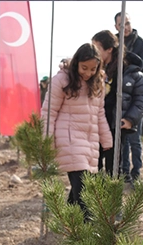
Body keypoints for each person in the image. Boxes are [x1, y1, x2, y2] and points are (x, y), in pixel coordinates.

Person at [41, 43, 113, 213]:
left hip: (90, 142)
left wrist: (107, 139)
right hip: (69, 140)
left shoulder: (98, 84)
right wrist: (47, 142)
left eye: (93, 69)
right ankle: (88, 233)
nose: (88, 73)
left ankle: (68, 223)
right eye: (84, 68)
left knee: (78, 191)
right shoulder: (62, 80)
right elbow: (48, 113)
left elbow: (99, 113)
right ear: (76, 63)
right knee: (84, 190)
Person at [92, 30, 143, 181]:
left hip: (115, 125)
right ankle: (94, 201)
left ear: (109, 49)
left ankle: (112, 202)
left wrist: (130, 119)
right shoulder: (93, 70)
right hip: (94, 125)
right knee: (93, 166)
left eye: (97, 48)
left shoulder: (130, 71)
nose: (94, 52)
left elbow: (141, 97)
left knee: (114, 168)